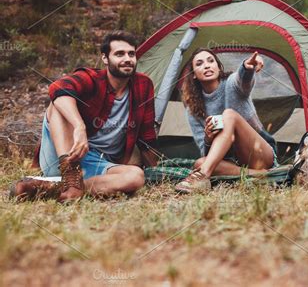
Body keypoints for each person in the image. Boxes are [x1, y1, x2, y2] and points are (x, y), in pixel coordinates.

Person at [10, 31, 159, 202]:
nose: (127, 59)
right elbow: (58, 88)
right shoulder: (91, 78)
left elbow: (147, 136)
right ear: (105, 58)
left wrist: (156, 169)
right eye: (119, 54)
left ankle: (54, 188)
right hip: (66, 153)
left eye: (131, 54)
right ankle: (69, 176)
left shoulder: (143, 85)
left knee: (136, 177)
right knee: (58, 104)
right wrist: (79, 127)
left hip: (98, 163)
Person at [175, 48, 278, 194]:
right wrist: (208, 138)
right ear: (194, 75)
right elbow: (206, 152)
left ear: (218, 67)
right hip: (232, 162)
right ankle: (259, 174)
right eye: (199, 63)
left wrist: (247, 68)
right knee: (200, 162)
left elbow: (242, 81)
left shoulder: (231, 84)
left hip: (259, 152)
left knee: (229, 115)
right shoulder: (192, 108)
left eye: (211, 61)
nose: (206, 65)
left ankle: (202, 176)